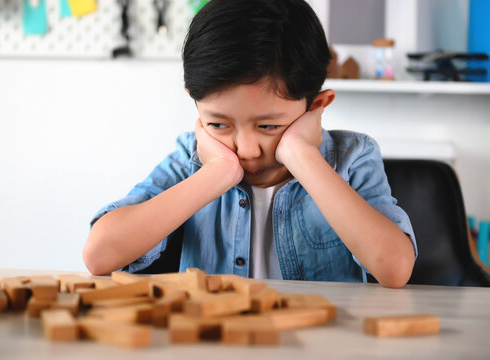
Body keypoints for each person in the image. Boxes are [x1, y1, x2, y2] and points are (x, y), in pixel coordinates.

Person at [83, 0, 417, 288]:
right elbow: (99, 255)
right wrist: (217, 173)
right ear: (195, 104)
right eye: (218, 124)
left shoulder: (353, 157)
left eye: (269, 125)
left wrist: (302, 157)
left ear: (316, 105)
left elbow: (394, 268)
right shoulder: (191, 158)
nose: (246, 149)